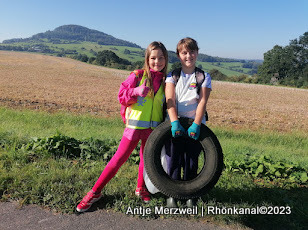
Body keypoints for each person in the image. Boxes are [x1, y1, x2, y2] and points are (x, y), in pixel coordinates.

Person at [76, 41, 168, 212]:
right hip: (133, 128)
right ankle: (95, 192)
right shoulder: (138, 75)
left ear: (166, 59)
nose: (157, 62)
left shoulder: (165, 81)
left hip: (152, 130)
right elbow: (121, 95)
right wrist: (135, 91)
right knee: (118, 159)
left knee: (146, 160)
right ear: (147, 59)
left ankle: (141, 189)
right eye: (153, 58)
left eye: (161, 58)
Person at [164, 37, 212, 208]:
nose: (188, 56)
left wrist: (197, 124)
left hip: (195, 124)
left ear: (197, 53)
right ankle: (172, 195)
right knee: (174, 159)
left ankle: (190, 195)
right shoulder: (172, 76)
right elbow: (170, 100)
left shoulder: (204, 76)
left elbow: (202, 102)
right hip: (174, 123)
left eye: (192, 52)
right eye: (184, 52)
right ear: (179, 55)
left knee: (191, 160)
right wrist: (175, 122)